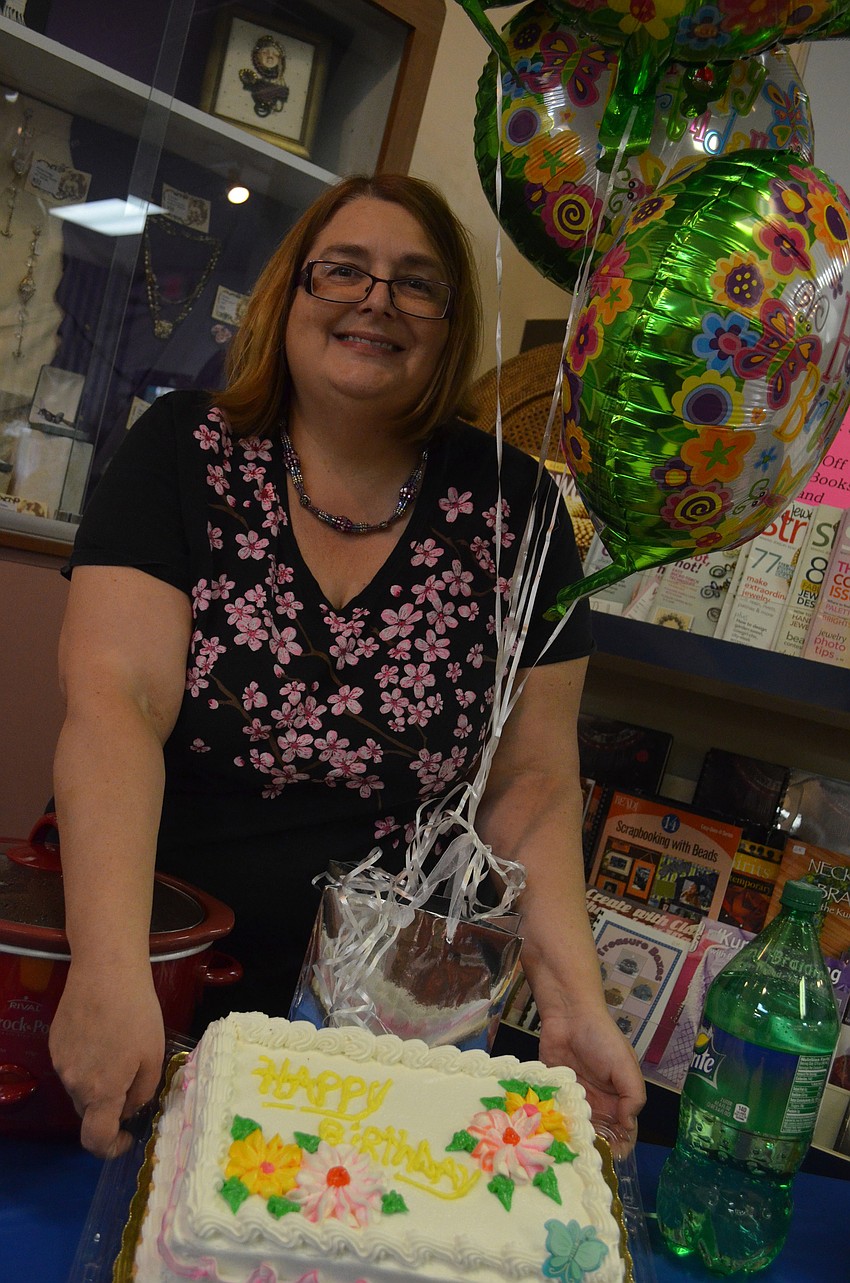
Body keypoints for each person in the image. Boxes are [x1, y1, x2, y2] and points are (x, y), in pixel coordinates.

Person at [48, 173, 645, 1160]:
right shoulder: (185, 451)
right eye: (344, 271)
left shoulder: (518, 508)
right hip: (161, 976)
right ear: (291, 292)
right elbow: (117, 701)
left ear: (449, 327)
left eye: (416, 283)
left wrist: (572, 1001)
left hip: (385, 1033)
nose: (376, 298)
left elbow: (533, 781)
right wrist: (110, 968)